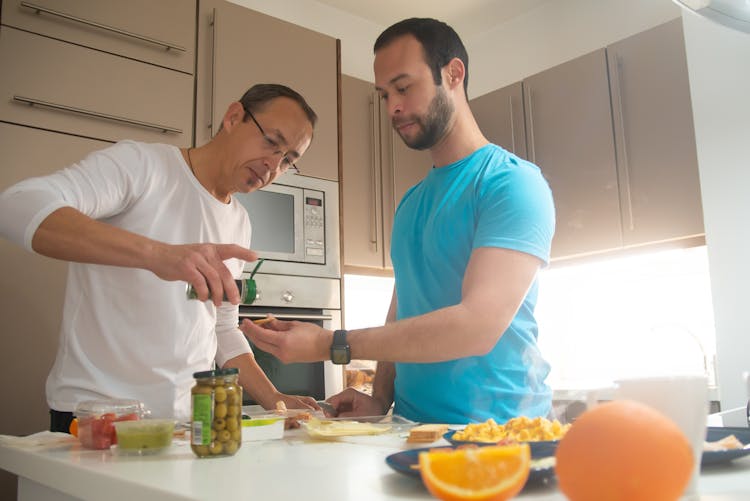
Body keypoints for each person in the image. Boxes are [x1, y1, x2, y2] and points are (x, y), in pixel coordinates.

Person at [241, 19, 556, 425]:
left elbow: (477, 325)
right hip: (410, 429)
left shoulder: (510, 183)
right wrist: (381, 396)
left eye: (404, 88)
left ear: (453, 74)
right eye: (384, 94)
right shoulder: (411, 202)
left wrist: (330, 343)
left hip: (500, 432)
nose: (392, 107)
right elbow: (402, 311)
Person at [0, 84, 321, 432]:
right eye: (271, 142)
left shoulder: (239, 222)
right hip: (98, 418)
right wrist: (157, 255)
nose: (273, 165)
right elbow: (16, 206)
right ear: (233, 117)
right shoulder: (142, 165)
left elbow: (222, 328)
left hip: (186, 423)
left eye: (288, 160)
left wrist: (275, 398)